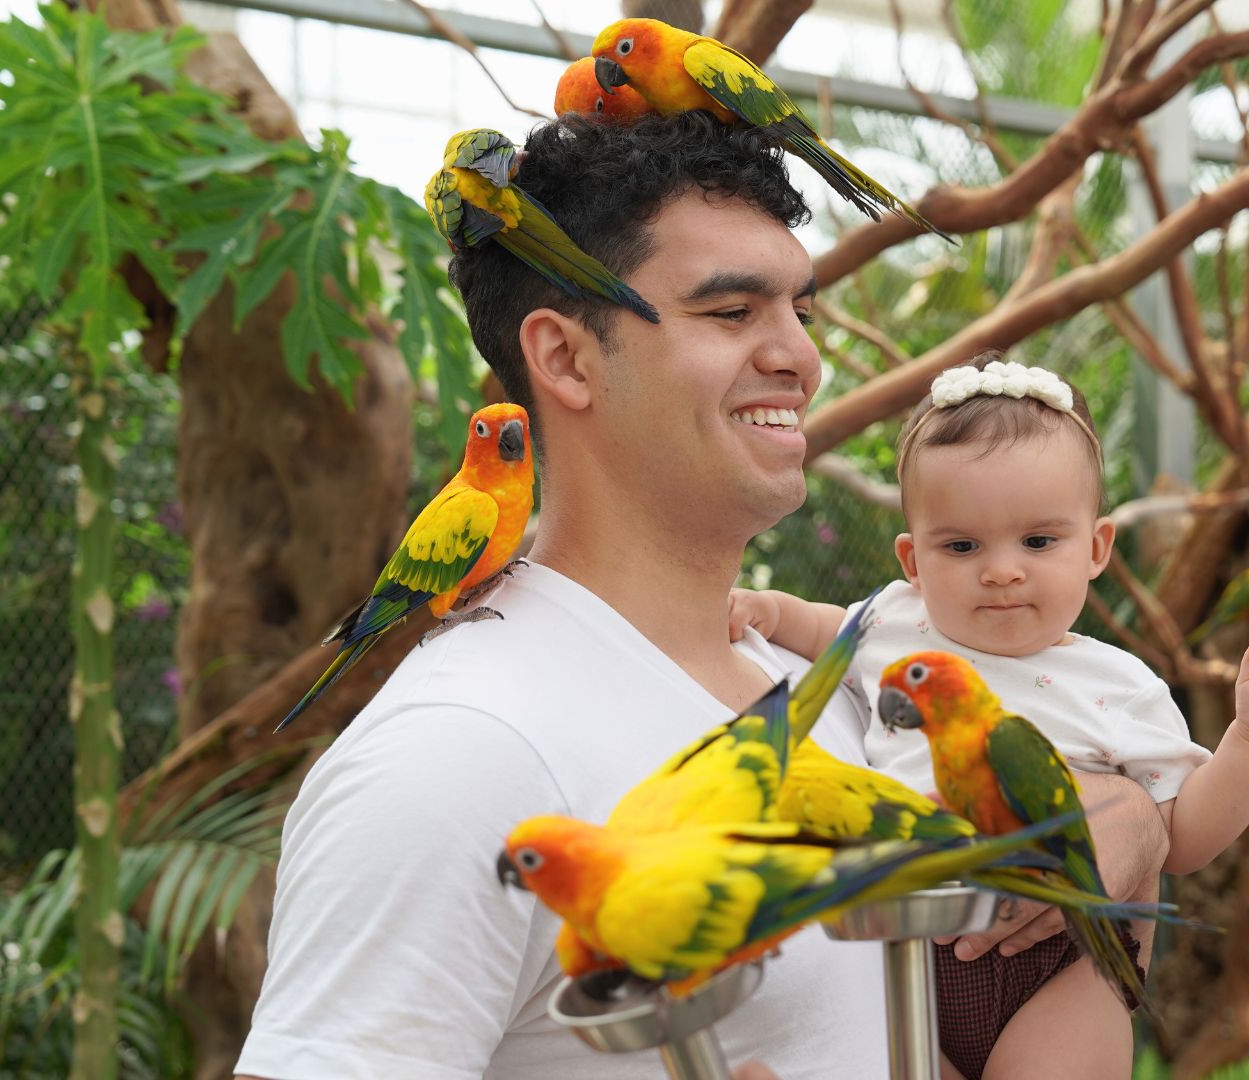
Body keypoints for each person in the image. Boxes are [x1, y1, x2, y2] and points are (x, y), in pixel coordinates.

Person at [233, 114, 1171, 1080]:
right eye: (732, 314)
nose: (800, 359)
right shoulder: (456, 751)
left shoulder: (828, 695)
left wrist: (1135, 819)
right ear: (564, 359)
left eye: (799, 314)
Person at [731, 356, 1249, 1079]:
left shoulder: (1118, 684)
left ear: (1097, 548)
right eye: (962, 546)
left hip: (1059, 967)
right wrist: (767, 611)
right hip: (905, 964)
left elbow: (1184, 837)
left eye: (1039, 542)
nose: (1002, 570)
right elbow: (825, 627)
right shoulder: (893, 624)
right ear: (912, 561)